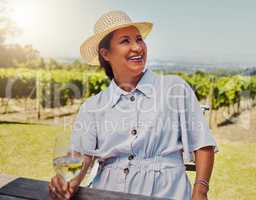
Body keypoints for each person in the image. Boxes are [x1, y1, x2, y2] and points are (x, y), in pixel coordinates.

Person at [48, 10, 218, 200]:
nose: (137, 47)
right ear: (105, 53)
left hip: (168, 193)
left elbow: (203, 144)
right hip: (107, 193)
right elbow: (82, 158)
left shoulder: (175, 88)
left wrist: (200, 191)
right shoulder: (93, 106)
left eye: (139, 39)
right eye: (125, 41)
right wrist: (67, 181)